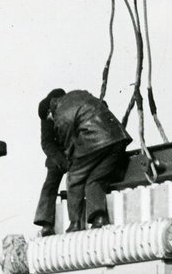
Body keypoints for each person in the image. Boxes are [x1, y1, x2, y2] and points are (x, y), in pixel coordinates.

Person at [34, 88, 132, 235]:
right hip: (63, 151)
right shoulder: (56, 112)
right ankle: (46, 222)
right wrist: (63, 161)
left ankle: (76, 223)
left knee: (75, 180)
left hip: (86, 142)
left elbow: (72, 138)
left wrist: (73, 163)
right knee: (53, 182)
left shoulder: (61, 111)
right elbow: (47, 143)